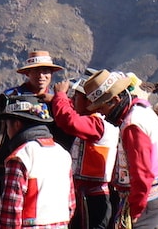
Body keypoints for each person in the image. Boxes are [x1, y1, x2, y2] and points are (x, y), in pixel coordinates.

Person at [79, 70, 158, 229]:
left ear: (114, 100)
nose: (101, 114)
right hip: (152, 196)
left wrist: (136, 209)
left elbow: (142, 172)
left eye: (101, 108)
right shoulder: (140, 110)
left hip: (145, 201)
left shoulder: (132, 125)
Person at [47, 77, 120, 229]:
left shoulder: (97, 124)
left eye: (76, 97)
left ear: (88, 101)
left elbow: (68, 120)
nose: (72, 100)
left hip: (94, 199)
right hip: (85, 196)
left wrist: (60, 95)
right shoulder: (91, 120)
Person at [0, 95, 74, 229]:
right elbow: (71, 204)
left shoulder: (21, 157)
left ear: (17, 124)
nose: (8, 132)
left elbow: (11, 211)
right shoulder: (63, 154)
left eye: (8, 125)